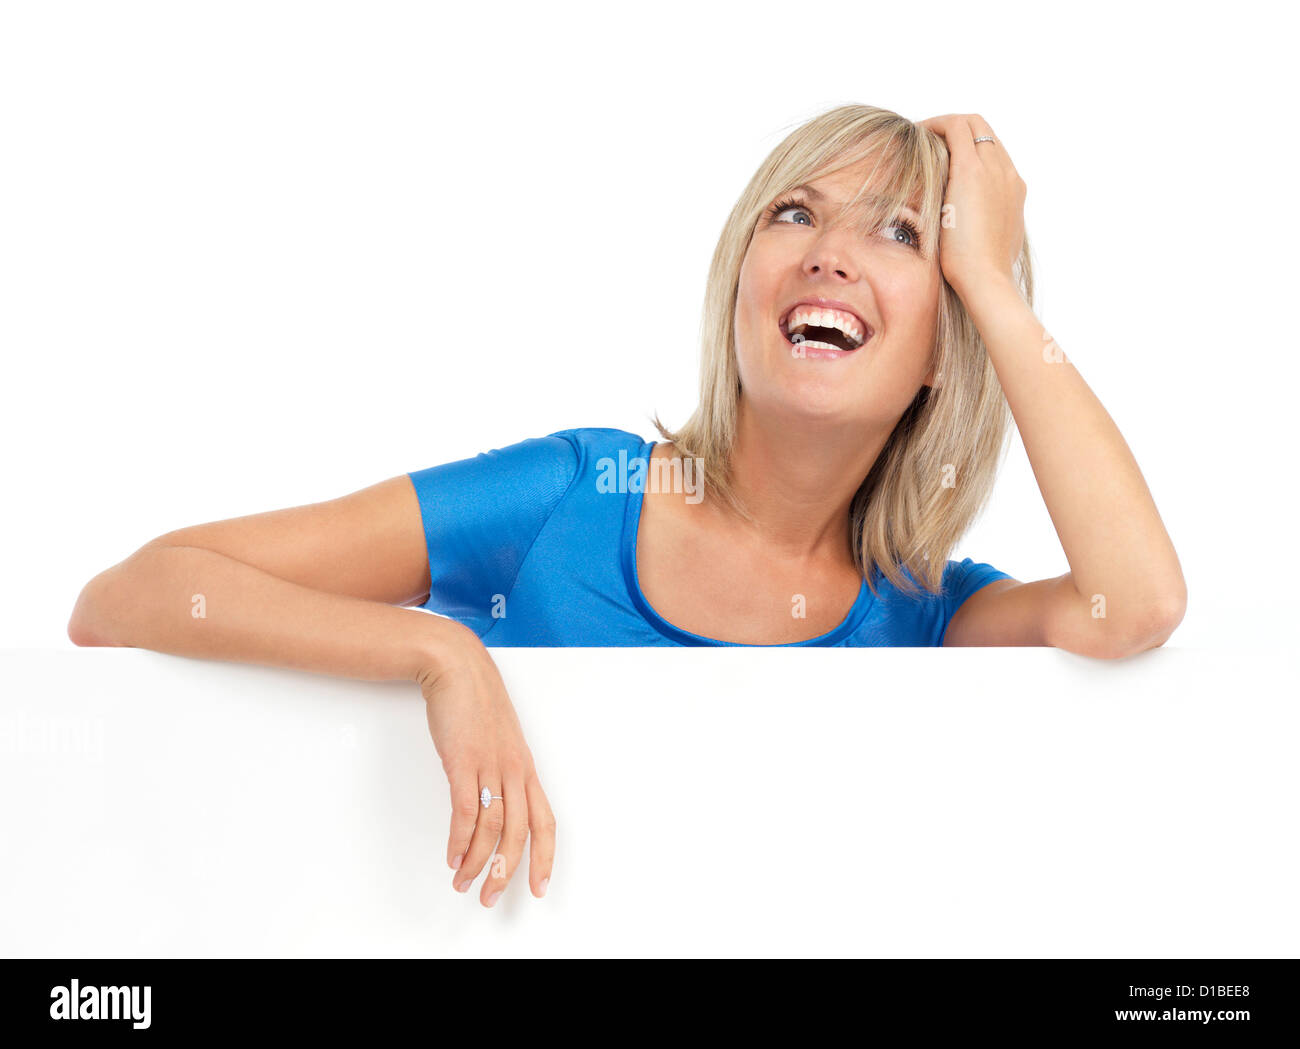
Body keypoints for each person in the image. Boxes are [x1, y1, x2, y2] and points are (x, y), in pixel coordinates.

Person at [67, 104, 1187, 910]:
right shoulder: (571, 494)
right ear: (740, 277)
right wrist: (439, 651)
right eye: (796, 214)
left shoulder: (925, 615)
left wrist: (990, 283)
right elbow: (131, 595)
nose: (834, 256)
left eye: (900, 234)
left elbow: (1135, 602)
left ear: (946, 343)